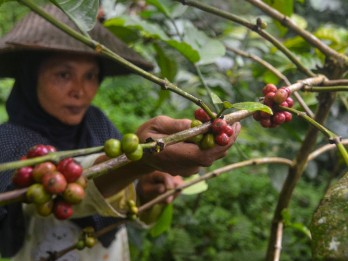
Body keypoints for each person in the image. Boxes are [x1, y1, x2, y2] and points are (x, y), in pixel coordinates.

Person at [0, 4, 241, 261]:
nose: (80, 90)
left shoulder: (95, 122)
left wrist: (144, 189)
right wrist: (138, 162)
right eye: (63, 74)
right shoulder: (9, 140)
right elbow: (41, 202)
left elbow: (115, 196)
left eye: (91, 76)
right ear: (30, 77)